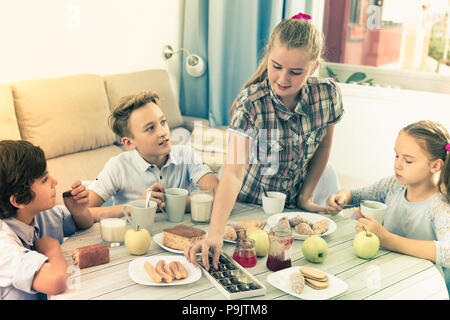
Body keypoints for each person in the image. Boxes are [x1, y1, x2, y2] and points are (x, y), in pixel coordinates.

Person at [186, 13, 344, 270]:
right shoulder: (251, 103)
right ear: (268, 53)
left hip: (288, 208)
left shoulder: (327, 95)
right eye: (276, 66)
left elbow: (324, 147)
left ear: (314, 67)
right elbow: (234, 172)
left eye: (295, 72)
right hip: (245, 205)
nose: (283, 79)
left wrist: (306, 196)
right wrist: (214, 233)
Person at [326, 120, 450, 293]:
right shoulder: (394, 185)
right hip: (388, 273)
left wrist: (386, 239)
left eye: (408, 161)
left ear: (435, 165)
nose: (397, 164)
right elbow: (357, 195)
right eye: (397, 155)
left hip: (423, 286)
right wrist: (342, 197)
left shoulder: (440, 206)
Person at [87, 90, 218, 221]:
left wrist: (170, 203)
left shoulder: (186, 154)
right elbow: (85, 213)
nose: (163, 132)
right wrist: (135, 206)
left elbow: (218, 195)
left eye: (163, 122)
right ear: (129, 143)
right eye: (150, 128)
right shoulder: (117, 166)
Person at [0, 140, 94, 300]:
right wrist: (51, 250)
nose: (55, 181)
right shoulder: (3, 246)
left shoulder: (37, 214)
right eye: (44, 180)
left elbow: (84, 223)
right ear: (19, 200)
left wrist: (79, 212)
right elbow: (55, 281)